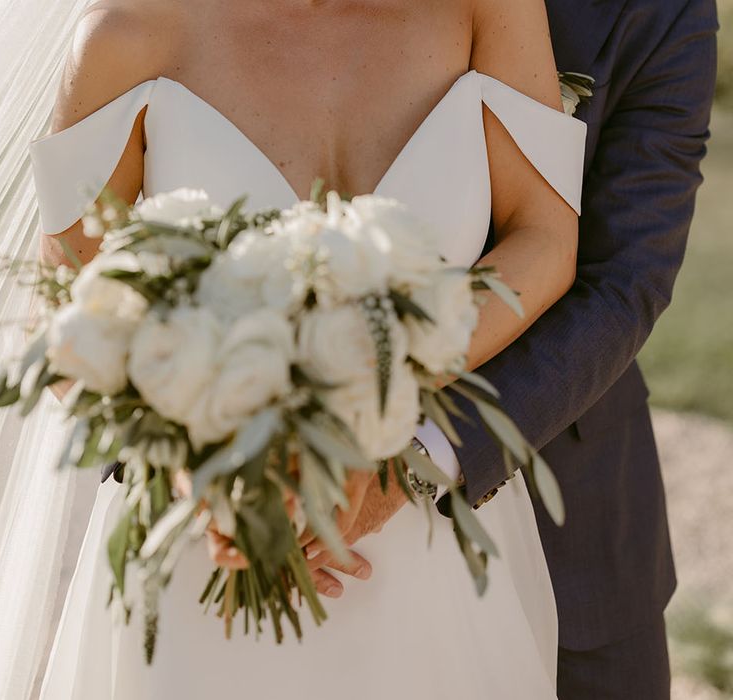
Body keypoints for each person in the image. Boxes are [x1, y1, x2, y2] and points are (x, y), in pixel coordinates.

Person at [19, 0, 590, 697]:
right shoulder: (128, 31)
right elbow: (65, 315)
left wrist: (375, 407)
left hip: (423, 543)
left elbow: (544, 239)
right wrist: (200, 478)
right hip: (215, 557)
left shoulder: (486, 8)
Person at [307, 0, 719, 698]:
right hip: (310, 510)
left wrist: (418, 453)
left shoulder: (662, 12)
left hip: (571, 521)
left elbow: (624, 286)